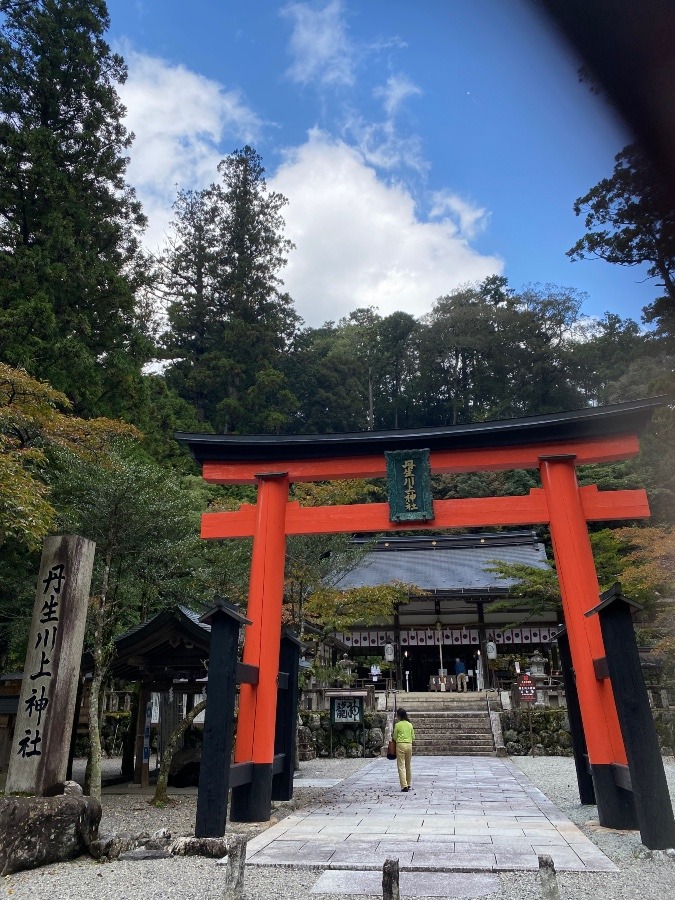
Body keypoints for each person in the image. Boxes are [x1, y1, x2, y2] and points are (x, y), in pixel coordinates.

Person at [392, 707, 415, 792]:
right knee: (408, 765)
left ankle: (404, 785)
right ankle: (408, 783)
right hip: (409, 744)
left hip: (400, 745)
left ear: (398, 716)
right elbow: (413, 737)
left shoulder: (397, 725)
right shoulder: (410, 724)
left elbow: (394, 737)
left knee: (401, 765)